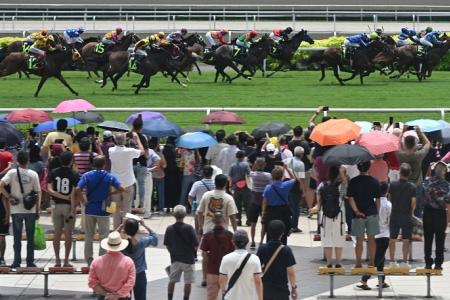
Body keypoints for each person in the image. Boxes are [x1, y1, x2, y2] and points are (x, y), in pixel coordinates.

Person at [75, 156, 125, 266]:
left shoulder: (87, 175)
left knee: (89, 236)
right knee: (104, 236)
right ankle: (102, 260)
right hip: (104, 210)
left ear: (93, 164)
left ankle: (89, 260)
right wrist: (111, 194)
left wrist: (83, 201)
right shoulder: (109, 176)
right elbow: (122, 188)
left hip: (90, 208)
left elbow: (78, 189)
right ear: (104, 164)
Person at [0, 151, 41, 268]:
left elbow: (1, 185)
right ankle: (30, 261)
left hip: (16, 210)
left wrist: (9, 197)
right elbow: (38, 193)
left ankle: (16, 261)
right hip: (30, 210)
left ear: (18, 161)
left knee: (17, 238)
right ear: (28, 161)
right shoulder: (33, 174)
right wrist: (37, 210)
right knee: (30, 237)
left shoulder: (12, 173)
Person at [47, 151, 78, 267]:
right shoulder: (74, 174)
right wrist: (73, 209)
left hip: (55, 205)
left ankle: (57, 260)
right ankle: (66, 260)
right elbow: (74, 193)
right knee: (68, 234)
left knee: (57, 233)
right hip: (68, 206)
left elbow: (49, 190)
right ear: (71, 161)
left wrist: (60, 196)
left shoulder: (54, 172)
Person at [347, 161, 381, 268]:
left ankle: (358, 263)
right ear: (369, 167)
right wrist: (377, 211)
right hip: (372, 212)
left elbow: (350, 198)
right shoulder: (374, 181)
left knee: (359, 240)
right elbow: (378, 199)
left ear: (358, 168)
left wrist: (356, 211)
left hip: (358, 215)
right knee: (372, 239)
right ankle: (372, 262)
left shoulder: (353, 181)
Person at [358, 182, 392, 290]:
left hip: (373, 234)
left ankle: (381, 280)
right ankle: (364, 279)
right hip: (384, 234)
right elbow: (390, 221)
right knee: (377, 259)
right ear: (387, 192)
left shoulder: (373, 202)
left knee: (380, 258)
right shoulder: (388, 205)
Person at [164, 205, 199, 300]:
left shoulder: (169, 228)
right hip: (188, 259)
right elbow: (196, 244)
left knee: (172, 280)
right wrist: (193, 252)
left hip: (175, 258)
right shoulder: (189, 228)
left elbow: (167, 244)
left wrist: (172, 252)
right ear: (185, 215)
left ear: (174, 215)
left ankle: (170, 298)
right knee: (188, 282)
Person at [88, 231, 136, 300]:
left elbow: (92, 282)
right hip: (122, 297)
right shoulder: (128, 262)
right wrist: (117, 295)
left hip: (104, 297)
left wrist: (106, 294)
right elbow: (131, 282)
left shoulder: (96, 262)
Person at [109, 133, 143, 229]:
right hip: (128, 183)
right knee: (127, 208)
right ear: (124, 140)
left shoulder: (111, 150)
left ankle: (116, 229)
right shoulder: (129, 151)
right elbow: (142, 151)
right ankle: (126, 229)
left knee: (115, 208)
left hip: (115, 183)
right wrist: (137, 139)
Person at [257, 220, 297, 300]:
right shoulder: (286, 250)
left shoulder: (262, 248)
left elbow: (257, 269)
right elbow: (291, 272)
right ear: (282, 233)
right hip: (281, 290)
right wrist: (294, 288)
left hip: (266, 289)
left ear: (268, 232)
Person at [120, 218, 158, 300]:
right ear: (137, 230)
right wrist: (144, 225)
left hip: (124, 275)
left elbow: (111, 239)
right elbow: (155, 238)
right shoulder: (142, 242)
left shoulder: (121, 244)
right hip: (139, 274)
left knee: (124, 297)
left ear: (125, 230)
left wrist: (121, 226)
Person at [397, 126, 431, 218]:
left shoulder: (400, 155)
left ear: (404, 144)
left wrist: (402, 131)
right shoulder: (419, 155)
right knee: (418, 208)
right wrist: (420, 132)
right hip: (417, 186)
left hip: (404, 185)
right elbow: (428, 144)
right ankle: (417, 229)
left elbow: (396, 143)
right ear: (415, 144)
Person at [219, 229, 263, 300]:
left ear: (233, 242)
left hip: (230, 297)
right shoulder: (255, 259)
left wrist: (224, 291)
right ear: (248, 242)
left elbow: (221, 279)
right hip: (248, 297)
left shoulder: (226, 258)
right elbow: (258, 281)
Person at [317, 166, 347, 268]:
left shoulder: (322, 185)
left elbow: (319, 201)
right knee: (338, 238)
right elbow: (346, 185)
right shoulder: (341, 186)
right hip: (339, 215)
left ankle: (329, 262)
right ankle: (338, 262)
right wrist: (342, 173)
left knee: (327, 239)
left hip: (325, 215)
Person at [200, 212, 234, 300]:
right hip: (227, 271)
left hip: (212, 271)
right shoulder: (229, 235)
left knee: (211, 296)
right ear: (224, 220)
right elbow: (234, 254)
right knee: (228, 296)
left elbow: (204, 256)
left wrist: (204, 275)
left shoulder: (207, 236)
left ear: (212, 221)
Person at [422, 161, 450, 270]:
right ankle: (438, 263)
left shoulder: (427, 182)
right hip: (440, 214)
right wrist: (448, 220)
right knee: (440, 239)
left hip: (428, 212)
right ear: (445, 172)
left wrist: (430, 169)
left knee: (428, 239)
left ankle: (428, 262)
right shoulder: (447, 186)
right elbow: (448, 204)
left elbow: (425, 180)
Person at [388, 163, 416, 268]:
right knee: (406, 240)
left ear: (400, 172)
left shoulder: (392, 185)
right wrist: (411, 212)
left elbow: (389, 198)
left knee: (392, 239)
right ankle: (404, 262)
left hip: (395, 213)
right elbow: (413, 202)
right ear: (409, 174)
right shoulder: (412, 187)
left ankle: (392, 262)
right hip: (407, 214)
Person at [262, 166, 299, 245]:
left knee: (270, 231)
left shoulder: (268, 188)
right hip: (283, 211)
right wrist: (287, 169)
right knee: (283, 232)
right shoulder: (285, 185)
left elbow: (264, 202)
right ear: (282, 176)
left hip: (271, 211)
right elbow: (295, 179)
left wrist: (263, 213)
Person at [248, 157, 272, 249]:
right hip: (264, 202)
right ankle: (261, 241)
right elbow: (270, 186)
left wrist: (255, 163)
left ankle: (253, 241)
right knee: (263, 224)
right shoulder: (268, 175)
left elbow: (251, 171)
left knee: (253, 224)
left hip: (254, 201)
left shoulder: (253, 175)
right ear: (265, 165)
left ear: (257, 165)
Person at [283, 146, 306, 233]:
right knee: (296, 208)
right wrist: (303, 191)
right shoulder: (301, 164)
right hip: (295, 186)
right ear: (302, 154)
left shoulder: (287, 160)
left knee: (288, 205)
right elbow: (302, 179)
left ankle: (287, 224)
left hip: (286, 184)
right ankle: (294, 226)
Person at [130, 115, 150, 216]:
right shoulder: (142, 137)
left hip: (131, 163)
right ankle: (141, 204)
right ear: (141, 127)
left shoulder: (128, 136)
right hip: (141, 164)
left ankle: (132, 203)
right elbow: (146, 154)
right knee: (141, 184)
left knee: (132, 185)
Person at [228, 150, 251, 227]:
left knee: (237, 205)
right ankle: (249, 220)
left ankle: (238, 220)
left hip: (236, 187)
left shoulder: (232, 165)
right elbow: (249, 174)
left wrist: (230, 187)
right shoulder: (246, 165)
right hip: (245, 187)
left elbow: (230, 177)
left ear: (236, 157)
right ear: (244, 157)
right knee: (247, 204)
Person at [0, 138, 13, 266]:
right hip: (5, 186)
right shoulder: (8, 155)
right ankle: (1, 258)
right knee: (2, 234)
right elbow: (10, 167)